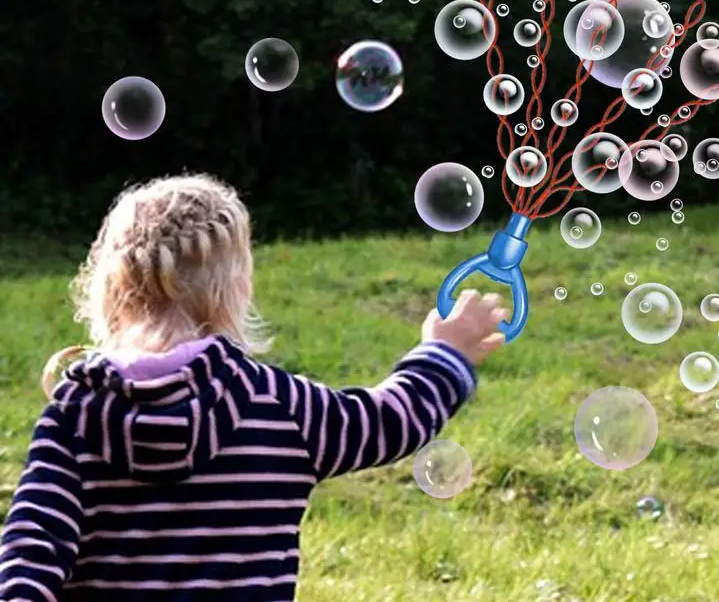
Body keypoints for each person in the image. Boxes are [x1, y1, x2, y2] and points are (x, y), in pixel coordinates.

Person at [0, 173, 507, 601]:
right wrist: (444, 353)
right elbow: (387, 421)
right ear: (236, 291)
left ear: (111, 289)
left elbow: (30, 554)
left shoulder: (75, 416)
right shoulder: (278, 406)